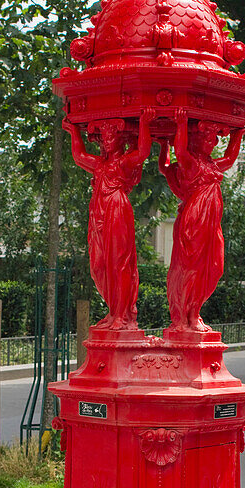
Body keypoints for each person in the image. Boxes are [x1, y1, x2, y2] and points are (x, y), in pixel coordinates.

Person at [64, 111, 153, 329]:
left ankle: (121, 315)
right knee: (99, 264)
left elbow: (142, 151)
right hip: (99, 213)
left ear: (120, 141)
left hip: (117, 210)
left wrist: (144, 123)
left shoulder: (122, 163)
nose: (107, 141)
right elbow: (79, 156)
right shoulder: (100, 166)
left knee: (119, 263)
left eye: (111, 136)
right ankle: (113, 311)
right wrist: (73, 130)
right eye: (104, 137)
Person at [160, 112, 245, 332]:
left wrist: (238, 135)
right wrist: (179, 124)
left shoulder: (212, 165)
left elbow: (229, 159)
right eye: (206, 139)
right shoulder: (192, 164)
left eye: (213, 140)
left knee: (214, 266)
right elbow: (178, 152)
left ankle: (194, 312)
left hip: (211, 225)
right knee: (192, 267)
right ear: (197, 141)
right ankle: (186, 315)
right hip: (196, 221)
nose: (211, 143)